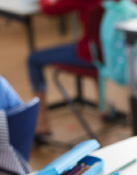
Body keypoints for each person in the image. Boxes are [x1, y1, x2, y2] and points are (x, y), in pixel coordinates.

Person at [27, 0, 103, 142]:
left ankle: (41, 122)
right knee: (95, 43)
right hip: (115, 55)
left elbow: (50, 10)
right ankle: (103, 104)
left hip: (90, 56)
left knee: (33, 59)